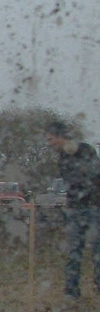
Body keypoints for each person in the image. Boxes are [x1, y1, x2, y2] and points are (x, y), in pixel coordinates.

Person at [45, 120, 100, 300]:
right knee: (74, 252)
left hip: (94, 208)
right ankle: (71, 293)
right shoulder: (62, 157)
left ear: (61, 136)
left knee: (98, 251)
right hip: (75, 210)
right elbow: (69, 182)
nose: (50, 143)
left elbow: (93, 177)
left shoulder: (86, 150)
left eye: (52, 139)